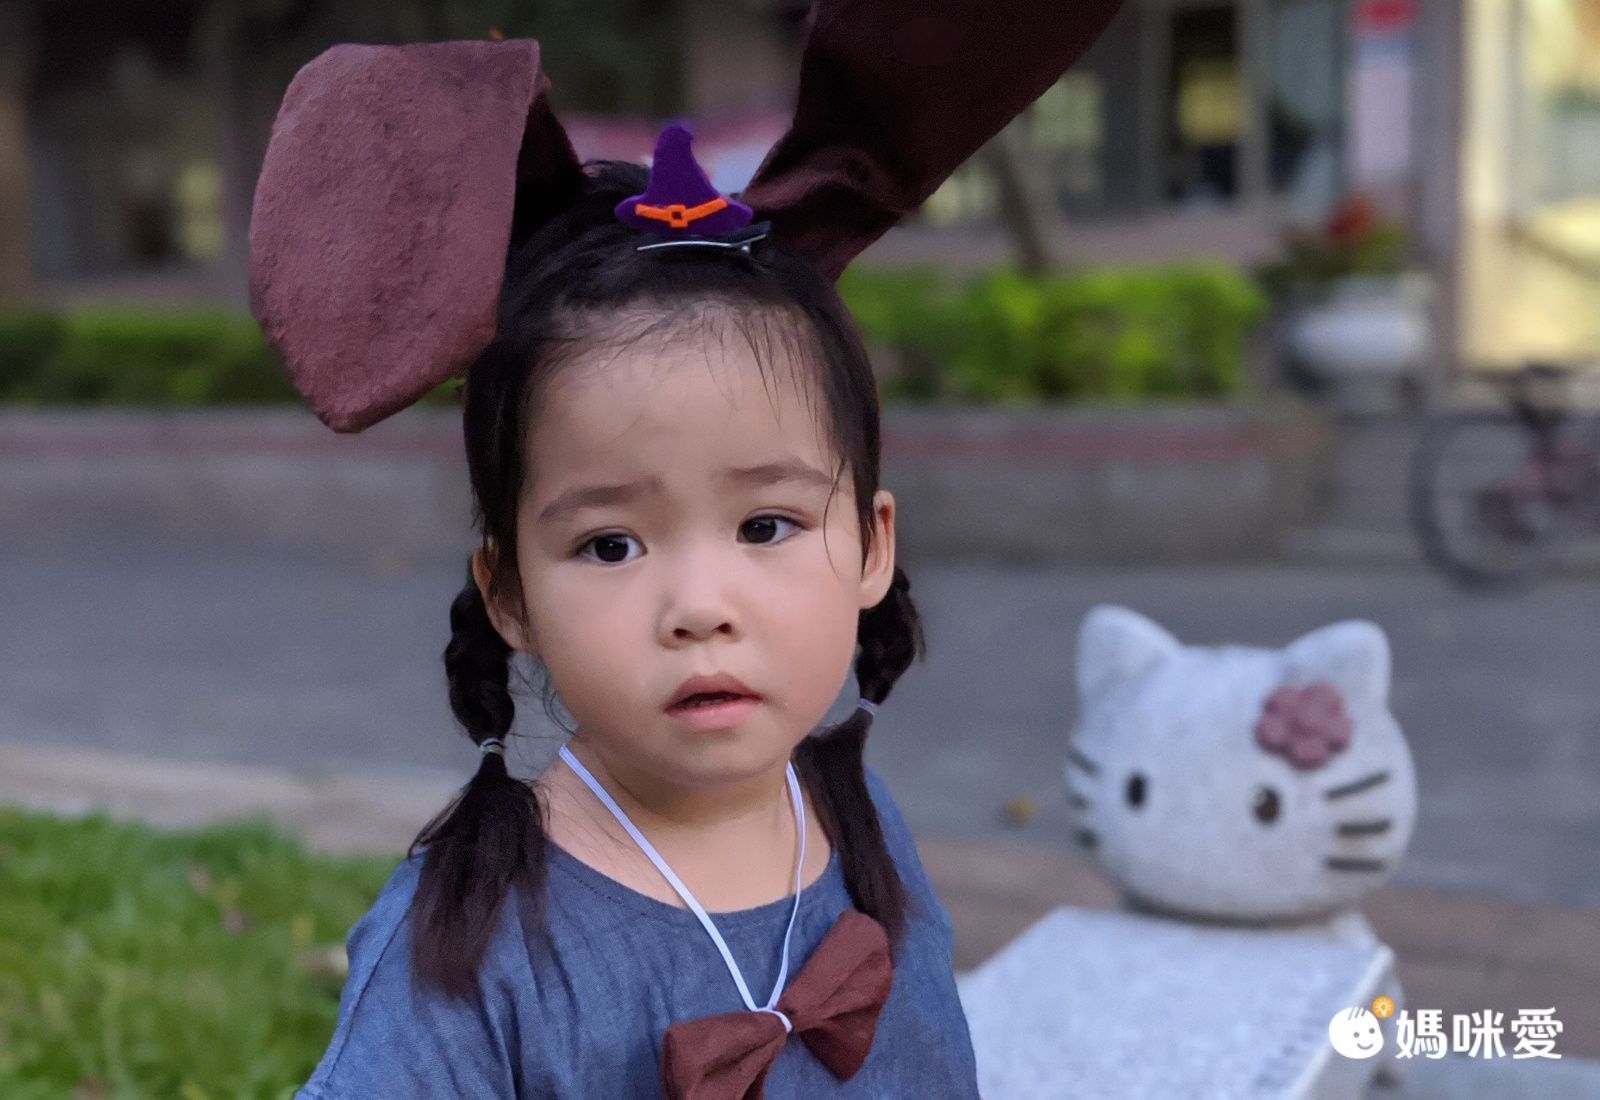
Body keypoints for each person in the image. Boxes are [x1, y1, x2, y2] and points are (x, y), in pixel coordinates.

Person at [251, 5, 1121, 1097]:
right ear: (509, 592)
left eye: (765, 526)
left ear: (871, 544)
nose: (699, 605)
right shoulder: (467, 950)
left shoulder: (859, 827)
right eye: (610, 543)